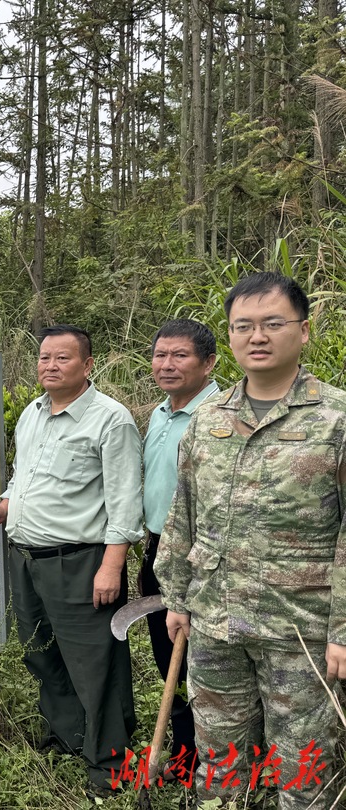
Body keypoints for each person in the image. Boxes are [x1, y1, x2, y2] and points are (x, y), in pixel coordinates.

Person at [156, 273, 346, 809]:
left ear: (304, 332)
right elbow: (184, 513)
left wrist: (343, 631)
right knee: (218, 763)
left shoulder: (336, 417)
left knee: (306, 767)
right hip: (215, 621)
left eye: (272, 324)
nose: (256, 336)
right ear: (231, 336)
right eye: (243, 326)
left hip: (301, 630)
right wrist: (176, 597)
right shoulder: (208, 418)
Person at [0, 324, 142, 798]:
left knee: (95, 664)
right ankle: (67, 735)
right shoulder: (31, 414)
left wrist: (111, 567)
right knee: (43, 654)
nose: (50, 365)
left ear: (88, 365)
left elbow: (125, 503)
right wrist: (3, 508)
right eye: (44, 357)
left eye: (62, 358)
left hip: (81, 563)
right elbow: (28, 482)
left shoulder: (111, 420)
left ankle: (109, 765)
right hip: (28, 559)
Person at [140, 319, 217, 780]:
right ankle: (185, 755)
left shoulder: (219, 415)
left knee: (202, 663)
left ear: (209, 363)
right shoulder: (160, 413)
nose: (166, 365)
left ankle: (210, 764)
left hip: (199, 558)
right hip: (157, 551)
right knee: (167, 657)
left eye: (180, 356)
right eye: (160, 355)